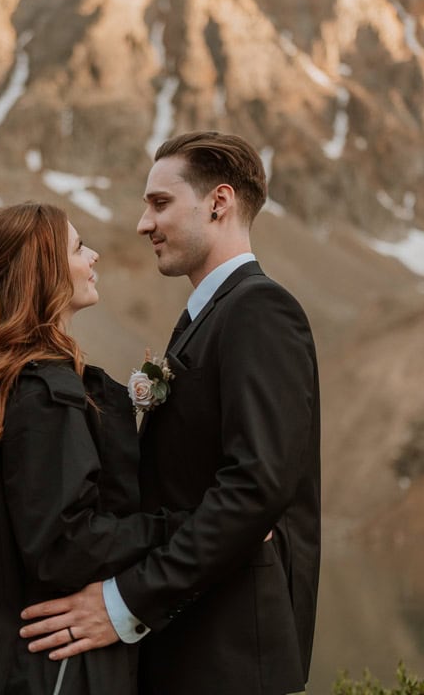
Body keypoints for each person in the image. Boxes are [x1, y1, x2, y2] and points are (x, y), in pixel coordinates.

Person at [20, 131, 321, 694]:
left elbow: (256, 487)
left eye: (159, 203)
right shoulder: (205, 320)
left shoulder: (260, 310)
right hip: (191, 646)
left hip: (230, 654)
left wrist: (124, 601)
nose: (142, 224)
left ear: (219, 203)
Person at [0, 203, 182, 694]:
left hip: (15, 664)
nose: (94, 256)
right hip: (48, 670)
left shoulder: (12, 381)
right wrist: (185, 525)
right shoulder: (40, 393)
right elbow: (66, 547)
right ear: (44, 272)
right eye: (78, 248)